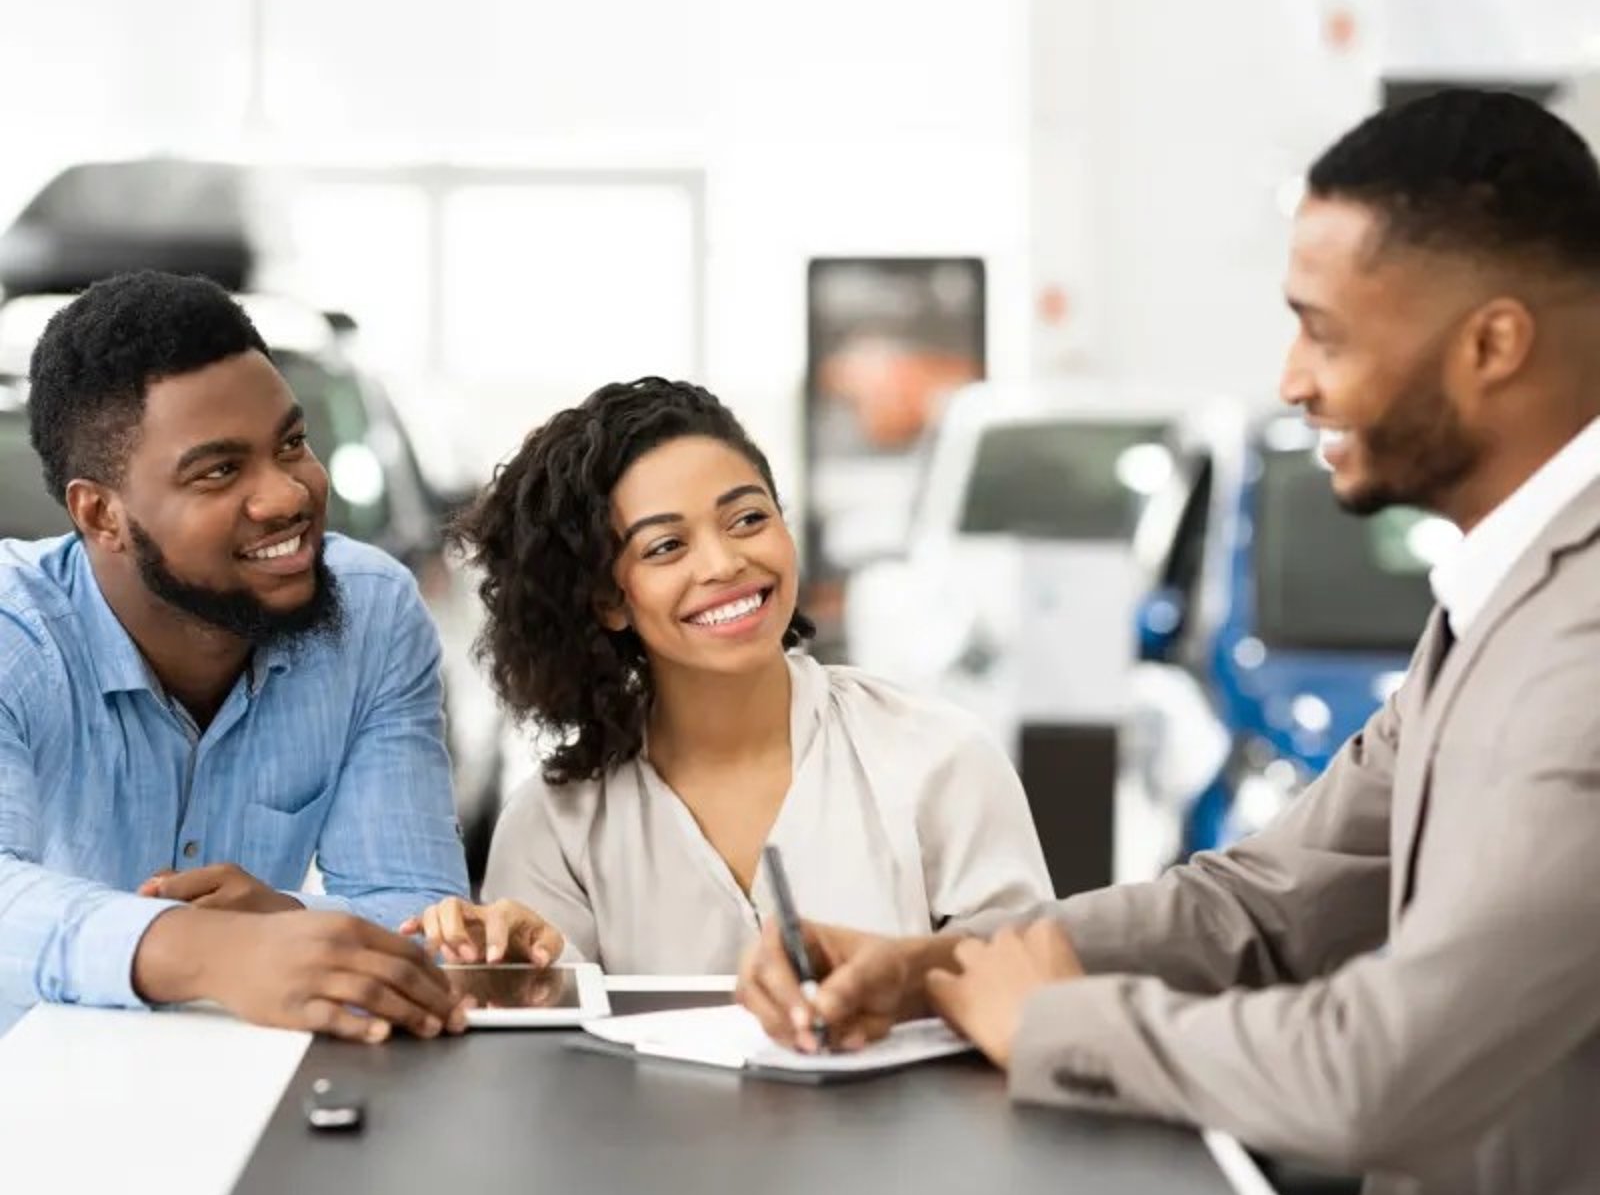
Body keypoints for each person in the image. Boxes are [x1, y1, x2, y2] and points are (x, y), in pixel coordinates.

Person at [738, 90, 1600, 1195]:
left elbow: (1384, 1069)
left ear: (1492, 344)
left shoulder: (1583, 639)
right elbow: (1266, 904)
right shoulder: (1501, 595)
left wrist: (1051, 1026)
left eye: (1325, 331)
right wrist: (936, 963)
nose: (1292, 379)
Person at [402, 377, 1051, 971]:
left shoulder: (940, 761)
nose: (723, 563)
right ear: (607, 600)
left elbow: (1026, 986)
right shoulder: (555, 827)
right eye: (665, 547)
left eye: (748, 519)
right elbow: (552, 1055)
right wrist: (512, 969)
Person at [0, 271, 470, 1041]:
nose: (287, 494)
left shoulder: (372, 613)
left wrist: (280, 924)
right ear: (100, 513)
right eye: (219, 470)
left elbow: (417, 921)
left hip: (247, 1105)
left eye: (291, 442)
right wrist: (205, 951)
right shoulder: (14, 633)